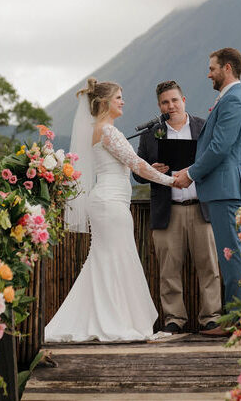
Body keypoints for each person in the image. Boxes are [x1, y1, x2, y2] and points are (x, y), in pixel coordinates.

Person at [44, 78, 177, 342]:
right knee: (115, 259)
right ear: (105, 102)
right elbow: (136, 164)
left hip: (110, 203)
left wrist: (156, 172)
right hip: (109, 204)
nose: (122, 101)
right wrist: (172, 180)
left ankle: (109, 317)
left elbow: (131, 164)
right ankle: (114, 320)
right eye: (118, 97)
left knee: (107, 259)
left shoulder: (101, 130)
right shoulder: (107, 131)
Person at [174, 48, 241, 335]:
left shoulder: (233, 100)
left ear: (227, 68)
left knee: (232, 256)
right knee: (231, 254)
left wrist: (191, 173)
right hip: (224, 189)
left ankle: (238, 323)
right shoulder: (231, 98)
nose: (208, 74)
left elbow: (220, 146)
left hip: (225, 189)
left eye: (212, 68)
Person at [133, 80, 221, 335]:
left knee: (209, 266)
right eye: (164, 102)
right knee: (168, 269)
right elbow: (138, 174)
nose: (170, 105)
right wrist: (151, 171)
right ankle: (174, 319)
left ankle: (212, 318)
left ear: (184, 100)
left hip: (201, 209)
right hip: (167, 210)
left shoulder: (203, 128)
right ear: (159, 106)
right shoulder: (151, 134)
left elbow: (216, 162)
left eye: (174, 100)